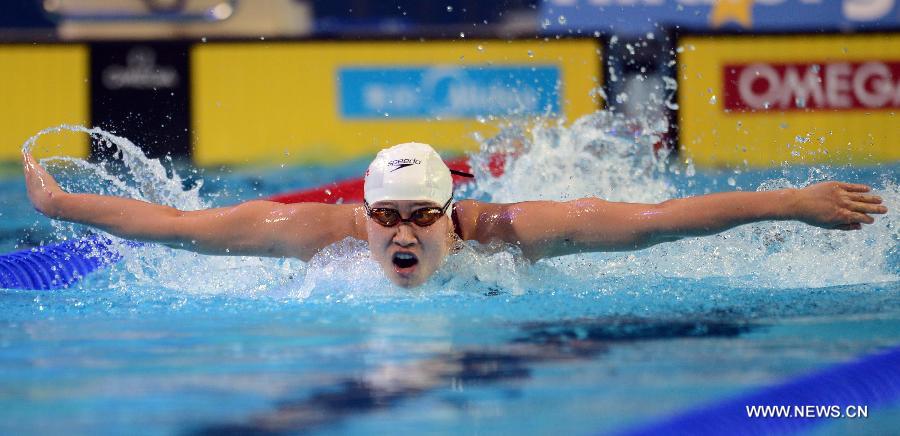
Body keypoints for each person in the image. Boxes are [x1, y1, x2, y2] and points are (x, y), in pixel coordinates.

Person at [23, 142, 888, 288]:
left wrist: (788, 201)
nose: (401, 235)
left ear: (454, 214)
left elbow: (657, 218)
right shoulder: (308, 234)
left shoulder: (510, 231)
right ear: (358, 215)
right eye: (385, 217)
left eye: (421, 217)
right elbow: (171, 229)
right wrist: (58, 203)